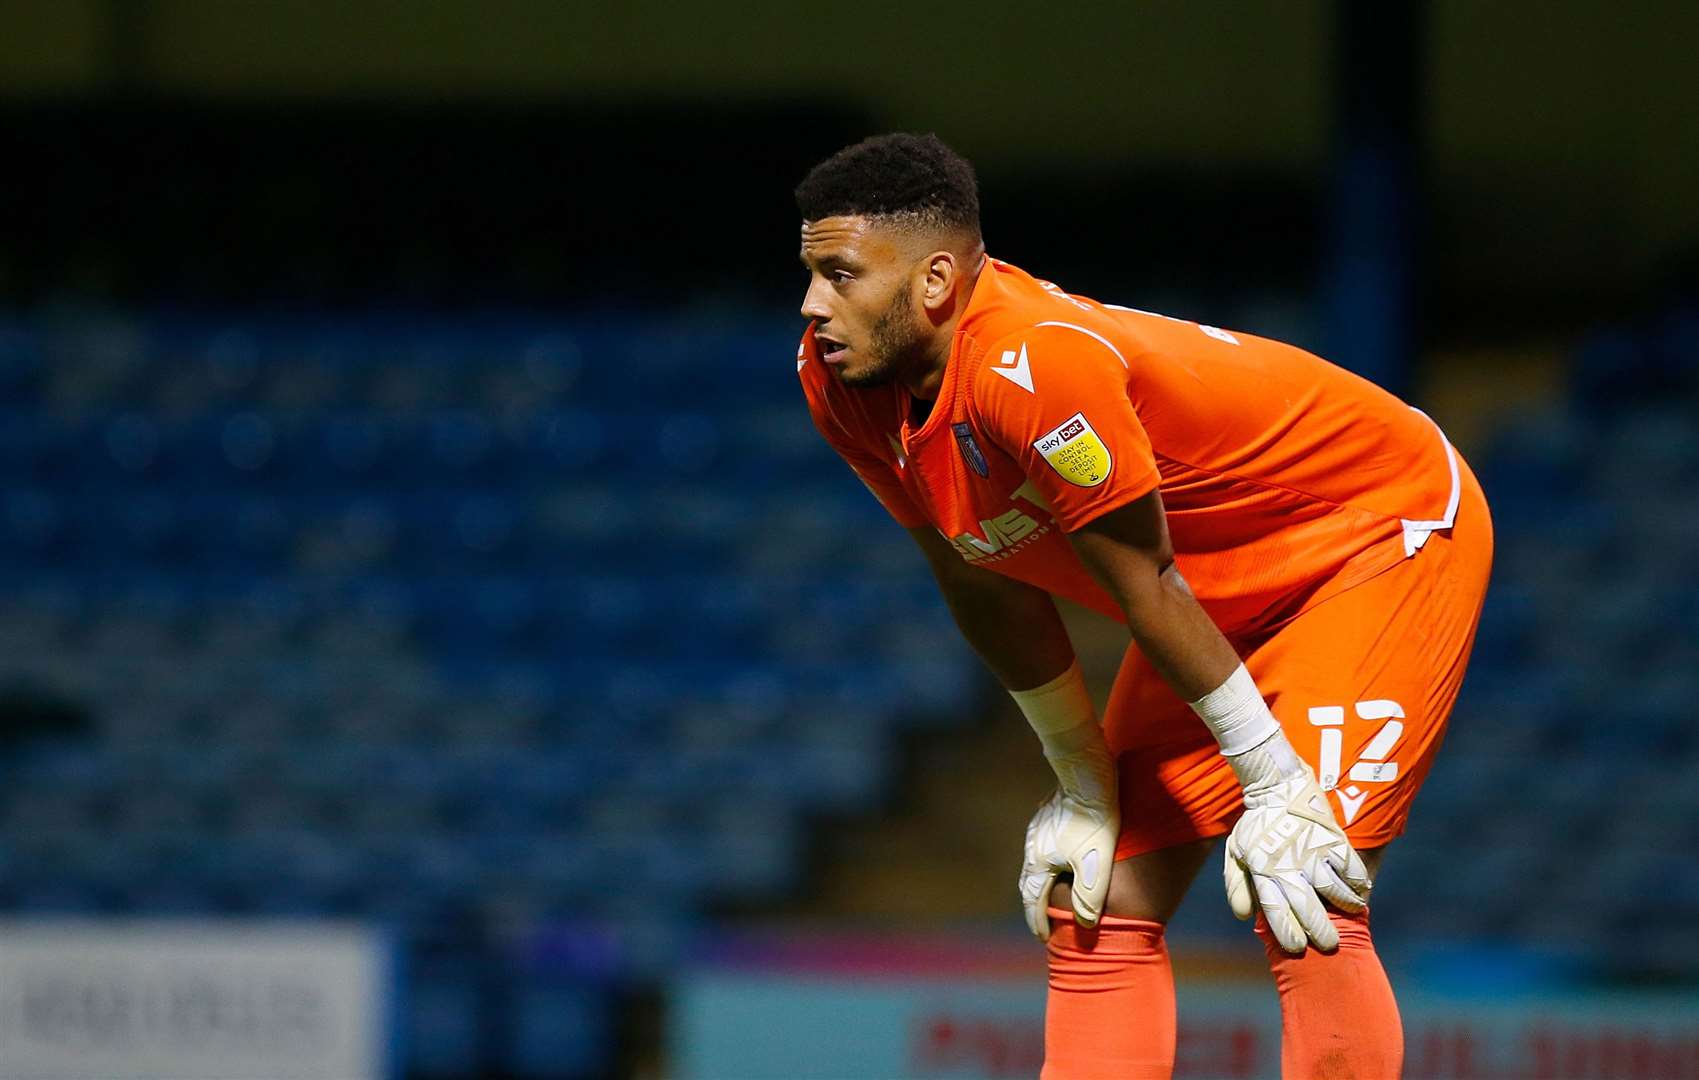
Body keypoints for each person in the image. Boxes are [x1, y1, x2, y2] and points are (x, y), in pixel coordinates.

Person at [792, 133, 1493, 1079]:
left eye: (839, 275)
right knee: (1095, 895)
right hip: (1211, 590)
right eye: (810, 274)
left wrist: (1276, 783)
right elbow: (972, 571)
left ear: (934, 282)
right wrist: (1080, 780)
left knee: (1302, 877)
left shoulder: (1034, 368)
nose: (812, 304)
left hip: (1372, 536)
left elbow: (1144, 581)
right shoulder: (839, 383)